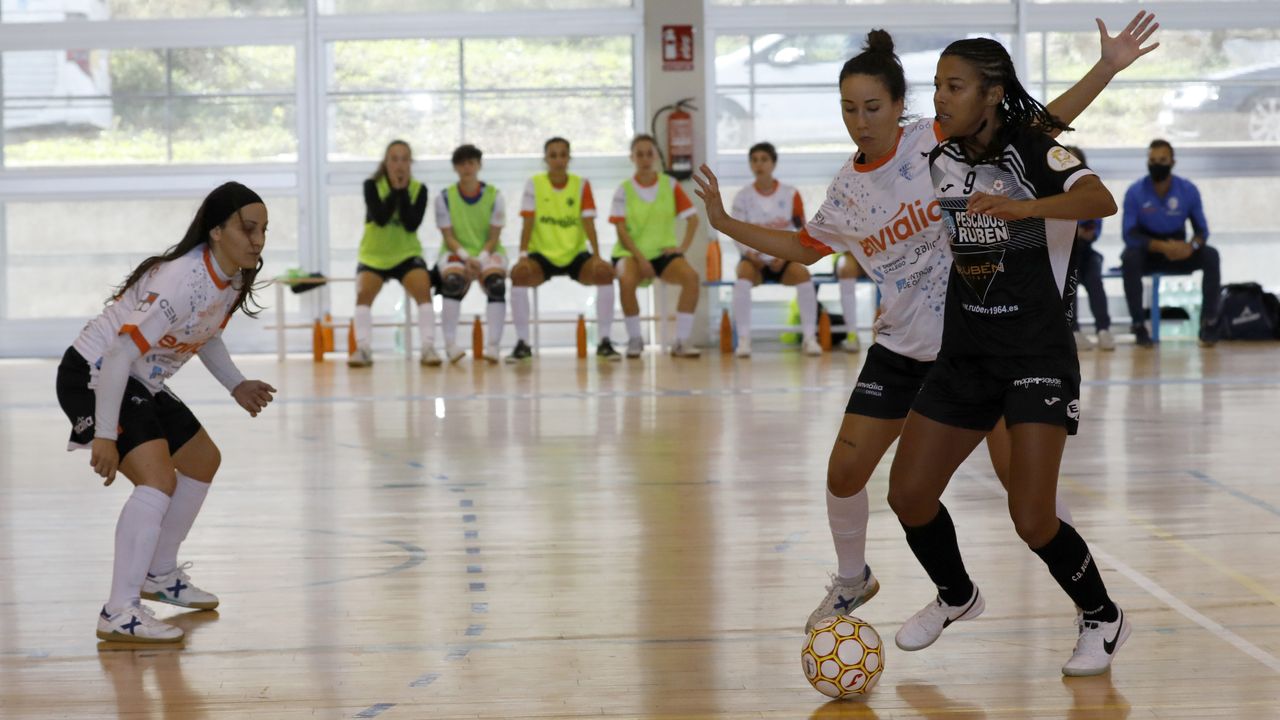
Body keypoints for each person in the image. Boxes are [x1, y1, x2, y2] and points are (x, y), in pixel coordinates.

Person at [694, 13, 1157, 635]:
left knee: (1028, 494)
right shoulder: (846, 192)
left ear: (898, 105)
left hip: (977, 342)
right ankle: (856, 580)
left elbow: (1035, 123)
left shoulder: (937, 140)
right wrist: (724, 223)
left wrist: (1104, 68)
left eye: (872, 106)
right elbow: (805, 247)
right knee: (846, 473)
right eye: (849, 109)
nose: (860, 120)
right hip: (903, 346)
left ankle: (1088, 602)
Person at [886, 37, 1127, 677]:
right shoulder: (942, 147)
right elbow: (1043, 112)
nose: (940, 97)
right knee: (908, 495)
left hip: (1035, 354)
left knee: (1032, 516)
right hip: (966, 355)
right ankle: (958, 595)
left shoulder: (1033, 151)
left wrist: (1027, 208)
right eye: (937, 84)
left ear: (991, 94)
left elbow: (1098, 199)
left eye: (955, 85)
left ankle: (1101, 614)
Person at [55, 182, 277, 642]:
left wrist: (235, 384)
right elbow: (117, 355)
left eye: (263, 231)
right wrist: (104, 435)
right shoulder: (180, 280)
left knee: (202, 460)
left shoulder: (232, 278)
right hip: (94, 372)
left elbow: (205, 331)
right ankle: (118, 609)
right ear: (216, 231)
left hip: (141, 377)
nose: (257, 240)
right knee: (159, 480)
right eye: (247, 228)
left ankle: (159, 573)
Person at [509, 137, 620, 361]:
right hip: (542, 255)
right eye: (553, 155)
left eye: (563, 154)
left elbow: (589, 224)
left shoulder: (581, 185)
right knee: (518, 275)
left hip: (574, 255)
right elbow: (527, 223)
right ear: (546, 159)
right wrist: (522, 256)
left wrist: (598, 256)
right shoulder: (534, 184)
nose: (558, 160)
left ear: (569, 158)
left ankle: (605, 342)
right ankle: (522, 343)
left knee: (605, 273)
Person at [611, 134, 703, 358]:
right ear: (631, 157)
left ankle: (681, 341)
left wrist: (681, 248)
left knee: (691, 278)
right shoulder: (623, 190)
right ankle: (635, 339)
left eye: (649, 153)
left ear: (655, 156)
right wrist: (641, 259)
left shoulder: (669, 185)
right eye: (639, 154)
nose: (645, 158)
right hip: (630, 253)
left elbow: (693, 218)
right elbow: (621, 229)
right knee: (626, 279)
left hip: (663, 252)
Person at [1121, 139, 1220, 347]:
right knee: (1129, 256)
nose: (1157, 164)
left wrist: (1190, 247)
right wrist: (1161, 246)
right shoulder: (1135, 192)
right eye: (1152, 160)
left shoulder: (1188, 190)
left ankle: (1209, 323)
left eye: (1162, 160)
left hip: (1180, 252)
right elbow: (1129, 234)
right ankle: (1139, 325)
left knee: (1211, 255)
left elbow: (1202, 230)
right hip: (1149, 252)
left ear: (1173, 162)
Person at [729, 141, 821, 358]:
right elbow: (736, 231)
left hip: (784, 258)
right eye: (754, 160)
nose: (759, 164)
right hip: (754, 261)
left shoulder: (791, 194)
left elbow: (802, 229)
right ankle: (743, 340)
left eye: (764, 160)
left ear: (773, 163)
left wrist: (784, 254)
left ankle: (810, 338)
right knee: (742, 276)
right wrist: (749, 254)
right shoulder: (742, 196)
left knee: (804, 276)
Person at [350, 140, 437, 367]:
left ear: (410, 163)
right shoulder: (372, 185)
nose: (399, 165)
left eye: (404, 159)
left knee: (423, 290)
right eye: (394, 159)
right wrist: (396, 191)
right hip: (374, 256)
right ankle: (363, 348)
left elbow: (411, 223)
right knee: (363, 295)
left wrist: (404, 192)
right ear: (386, 162)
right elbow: (380, 217)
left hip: (406, 254)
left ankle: (428, 347)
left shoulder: (420, 189)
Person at [432, 144, 508, 363]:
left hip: (487, 251)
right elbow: (448, 236)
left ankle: (493, 345)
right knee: (453, 282)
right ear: (455, 167)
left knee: (496, 284)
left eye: (471, 162)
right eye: (462, 163)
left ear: (479, 165)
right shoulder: (445, 198)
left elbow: (494, 236)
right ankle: (450, 344)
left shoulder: (495, 196)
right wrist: (467, 258)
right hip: (456, 252)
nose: (467, 168)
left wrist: (481, 259)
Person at [1063, 146, 1115, 351]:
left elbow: (1092, 230)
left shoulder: (1091, 190)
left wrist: (1077, 230)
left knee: (1094, 278)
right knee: (1068, 278)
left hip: (1086, 251)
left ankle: (1103, 329)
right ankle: (1073, 329)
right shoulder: (1051, 190)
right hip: (1064, 251)